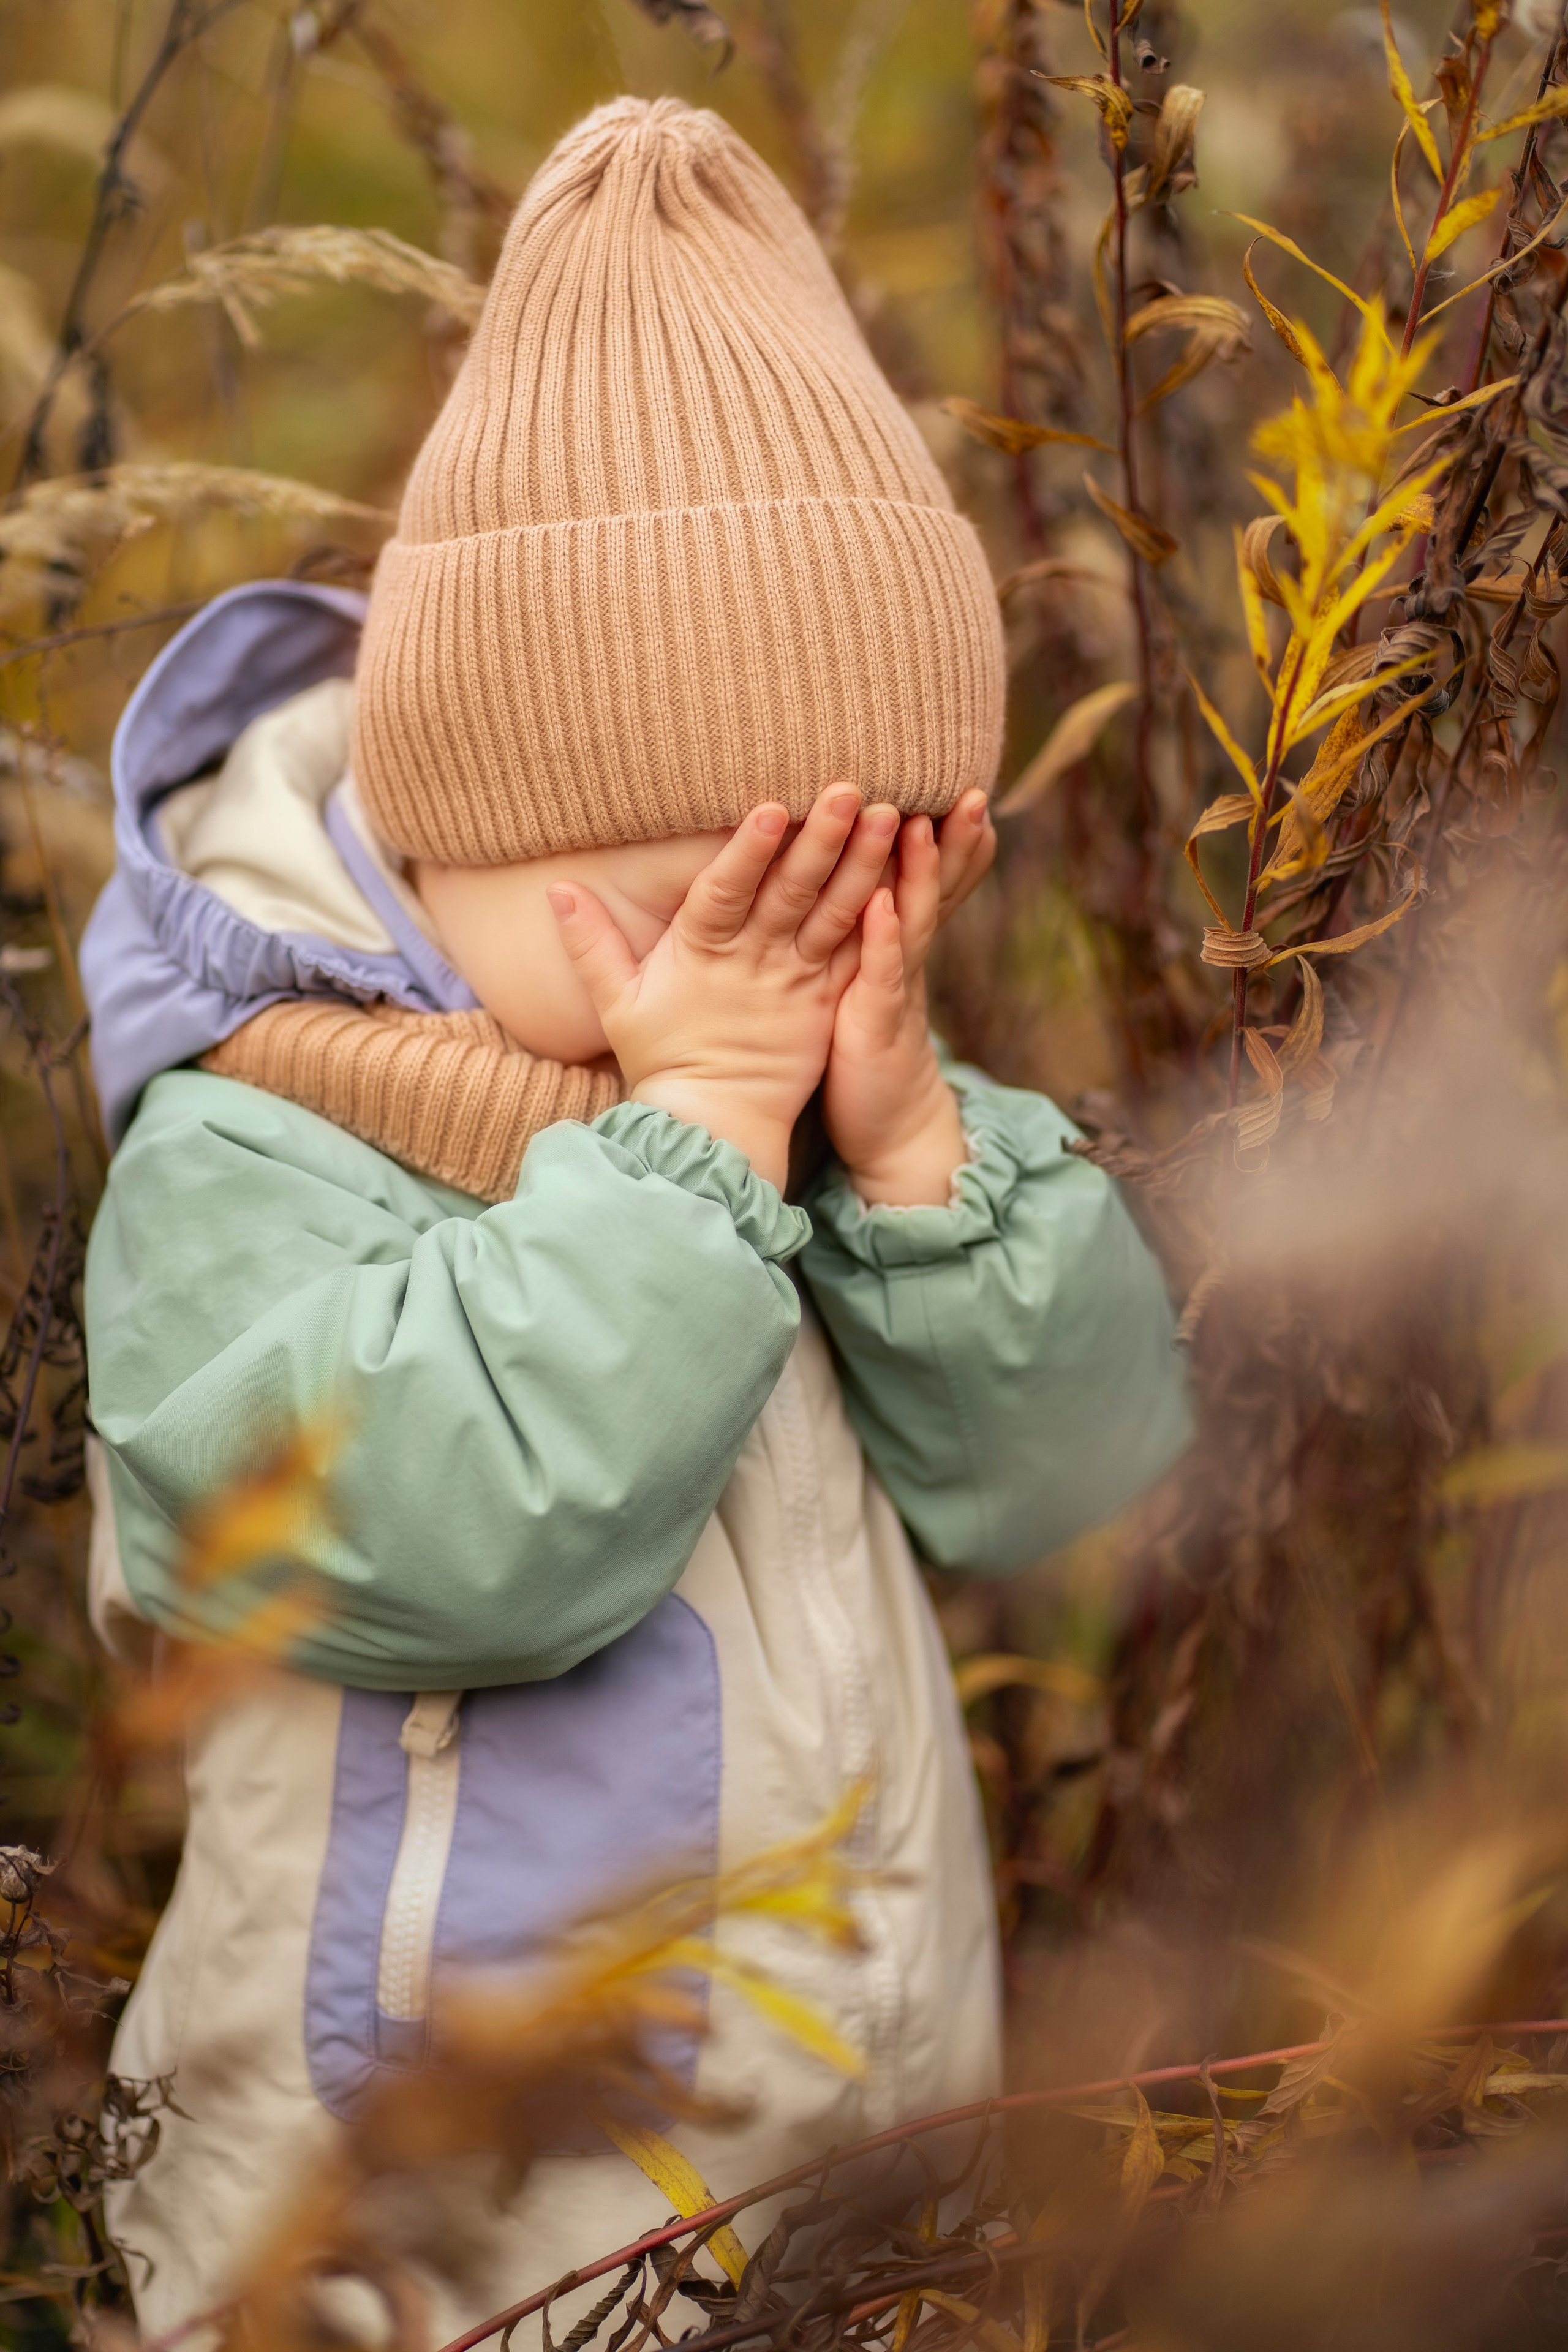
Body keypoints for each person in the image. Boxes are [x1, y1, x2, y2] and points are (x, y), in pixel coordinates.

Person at [79, 96, 1191, 2344]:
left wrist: (917, 1170)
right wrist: (690, 1137)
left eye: (855, 900)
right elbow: (441, 1535)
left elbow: (1074, 1486)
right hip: (427, 2248)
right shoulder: (251, 1151)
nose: (774, 977)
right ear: (455, 822)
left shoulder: (791, 1090)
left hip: (860, 2178)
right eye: (714, 911)